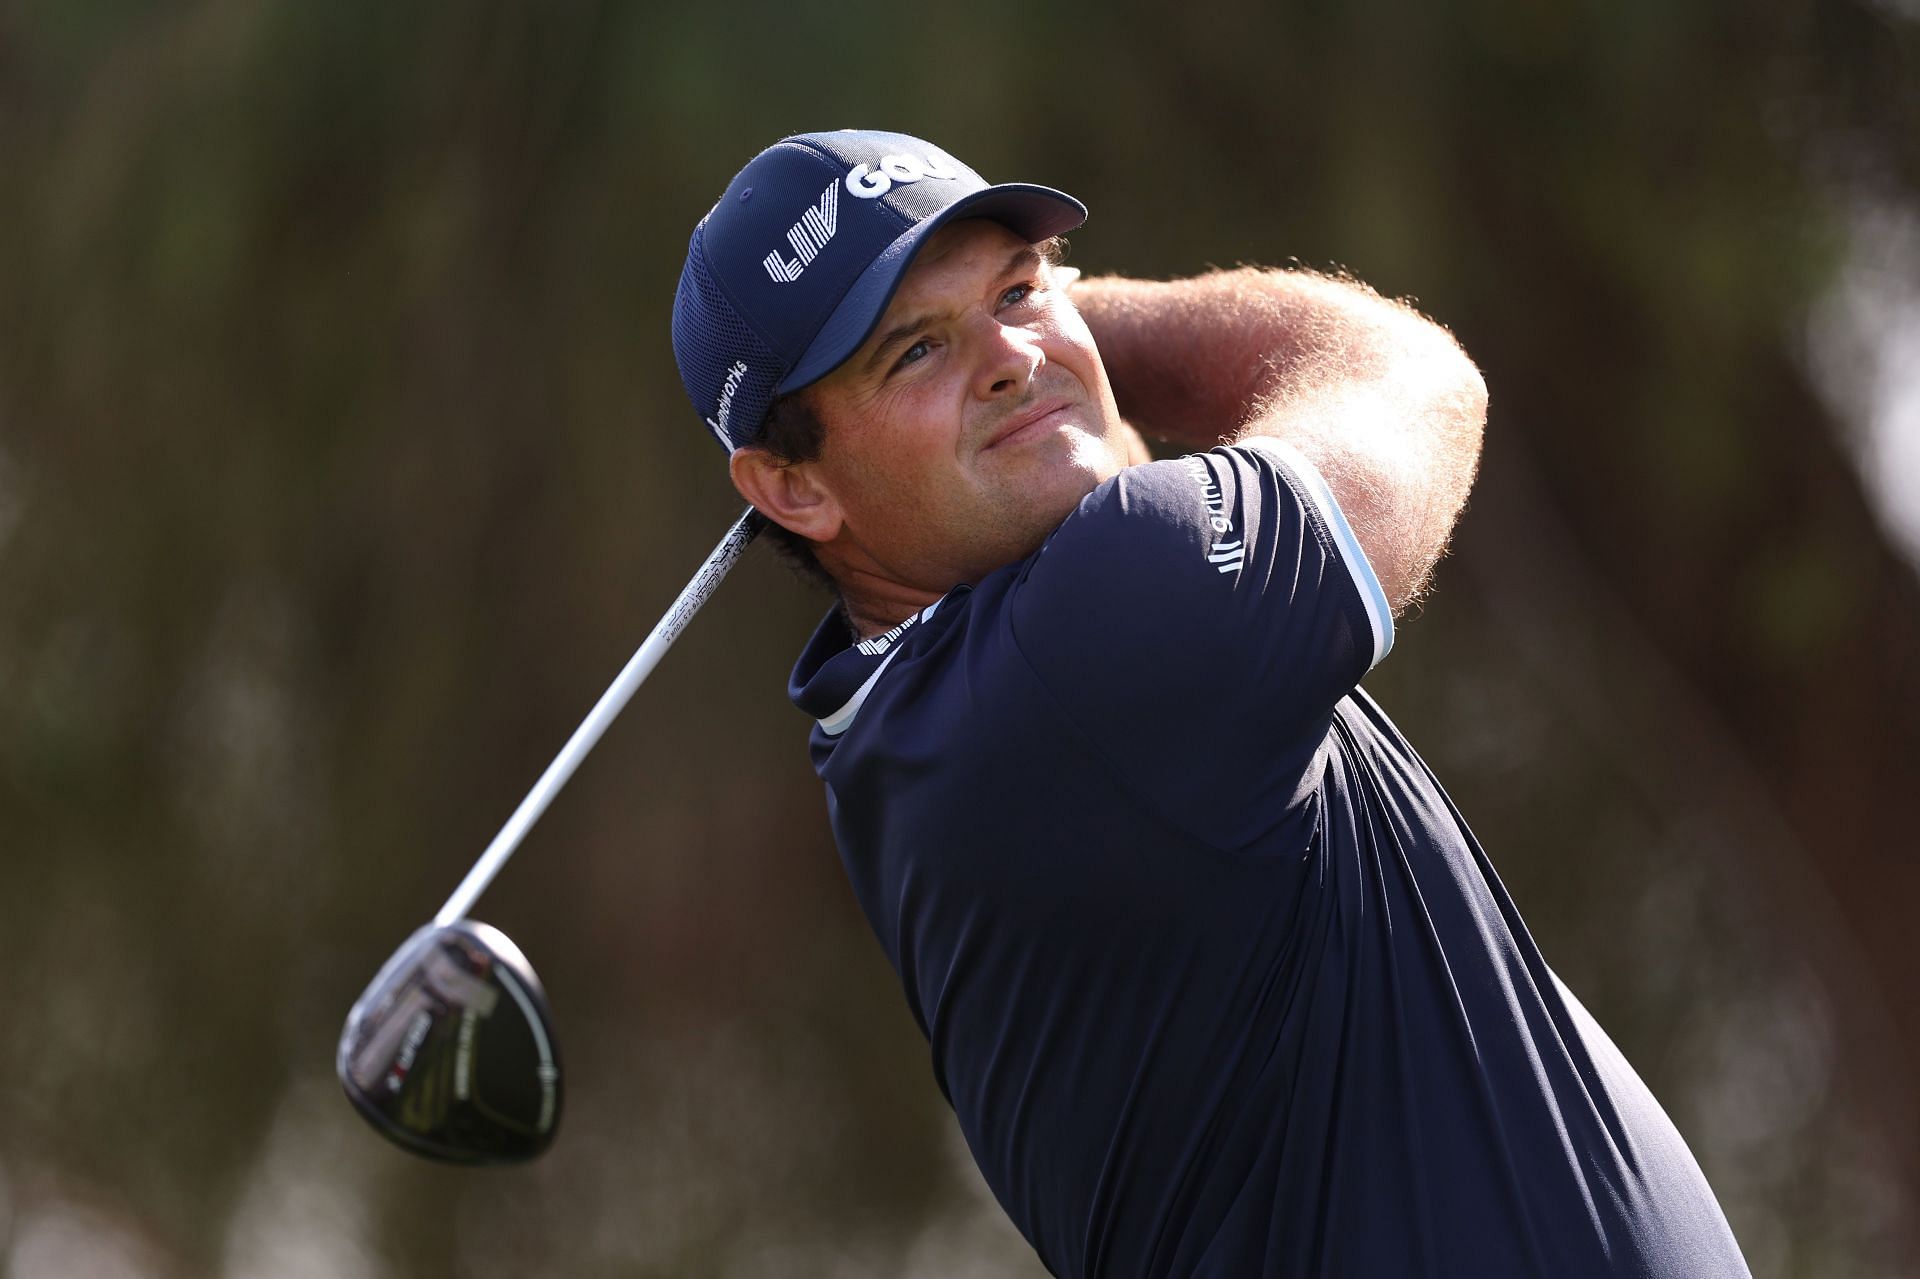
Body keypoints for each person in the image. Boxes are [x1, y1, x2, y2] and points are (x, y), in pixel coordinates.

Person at [672, 129, 1752, 1279]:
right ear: (791, 485)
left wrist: (1041, 364)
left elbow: (1105, 471)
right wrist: (1097, 328)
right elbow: (1414, 379)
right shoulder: (1102, 639)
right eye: (914, 350)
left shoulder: (903, 717)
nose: (1007, 354)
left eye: (1018, 288)